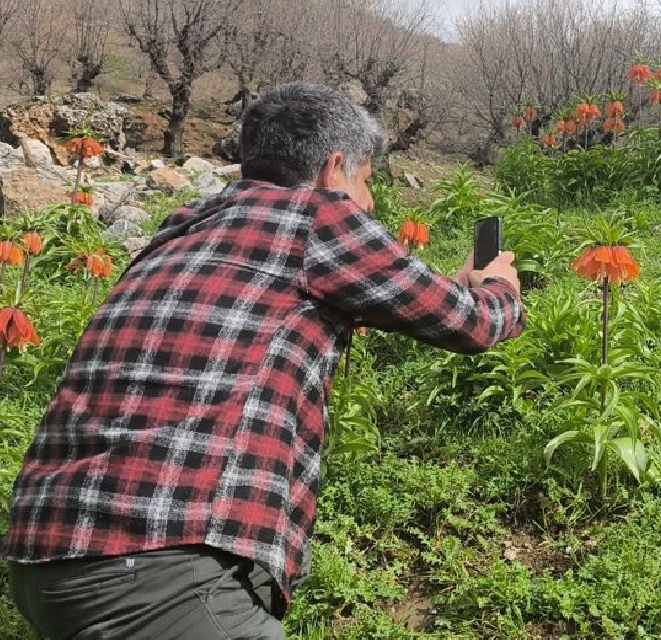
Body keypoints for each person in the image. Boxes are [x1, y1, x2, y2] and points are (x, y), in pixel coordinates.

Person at [4, 83, 526, 639]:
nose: (370, 204)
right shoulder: (319, 217)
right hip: (162, 565)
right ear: (334, 168)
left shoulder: (186, 226)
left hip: (44, 559)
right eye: (367, 181)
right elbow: (471, 324)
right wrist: (499, 289)